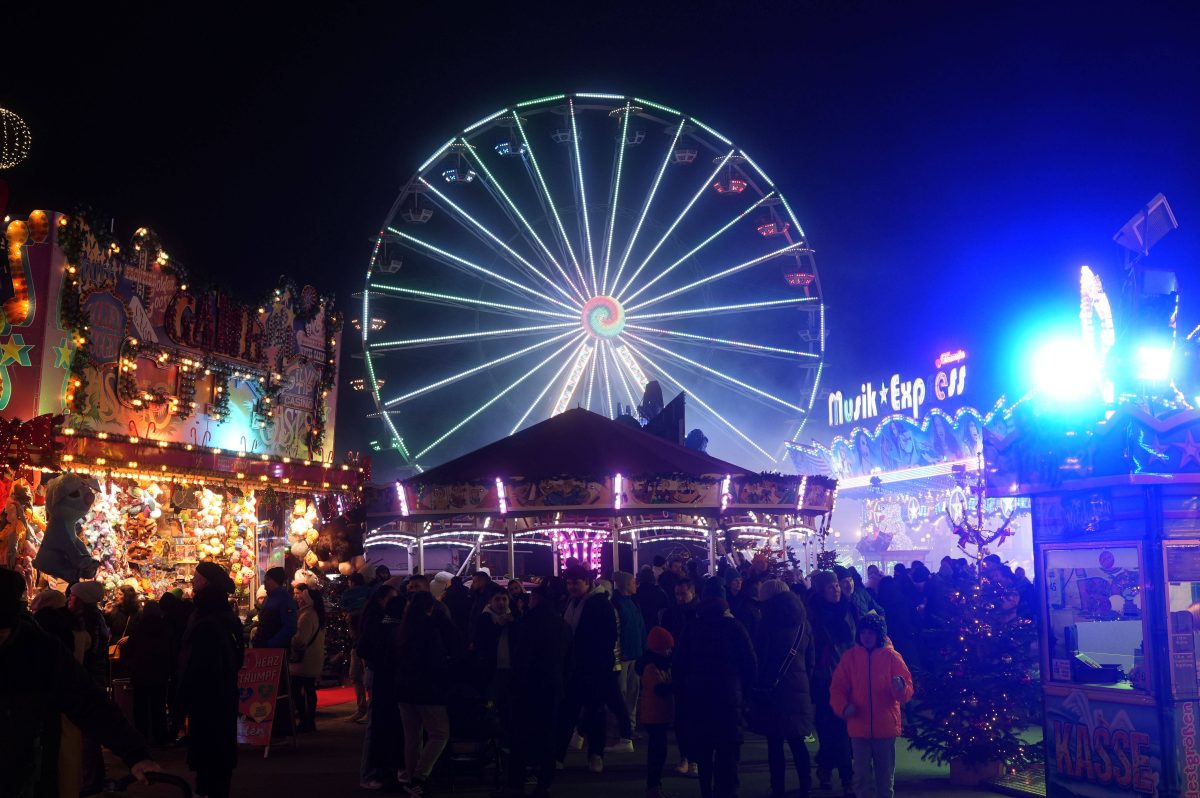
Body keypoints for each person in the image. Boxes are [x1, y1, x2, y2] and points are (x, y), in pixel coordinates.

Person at [1, 567, 161, 798]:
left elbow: (87, 700)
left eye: (2, 633)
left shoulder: (38, 649)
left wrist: (135, 754)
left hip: (25, 775)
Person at [674, 593, 757, 798]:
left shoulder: (692, 628)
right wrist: (746, 693)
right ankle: (727, 791)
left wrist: (684, 689)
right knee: (727, 749)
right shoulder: (734, 627)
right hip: (729, 695)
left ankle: (706, 790)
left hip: (699, 696)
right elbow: (750, 662)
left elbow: (679, 663)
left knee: (704, 749)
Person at [176, 560, 244, 798]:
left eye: (196, 576)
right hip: (220, 698)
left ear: (204, 582)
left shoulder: (207, 621)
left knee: (210, 759)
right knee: (216, 759)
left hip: (208, 700)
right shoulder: (224, 616)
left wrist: (182, 701)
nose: (192, 580)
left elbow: (197, 665)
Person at [830, 614, 913, 798]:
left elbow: (907, 690)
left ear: (879, 635)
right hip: (859, 727)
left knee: (885, 777)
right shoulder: (850, 658)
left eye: (871, 633)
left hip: (885, 727)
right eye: (864, 633)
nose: (867, 637)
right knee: (861, 776)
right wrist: (843, 707)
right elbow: (837, 687)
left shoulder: (892, 657)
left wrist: (900, 687)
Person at [503, 584, 573, 798]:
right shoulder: (562, 624)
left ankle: (516, 783)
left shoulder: (528, 623)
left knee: (521, 735)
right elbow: (569, 658)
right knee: (548, 736)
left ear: (535, 600)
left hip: (529, 686)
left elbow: (521, 657)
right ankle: (544, 783)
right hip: (553, 685)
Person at [750, 580, 815, 798]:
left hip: (774, 688)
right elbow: (811, 658)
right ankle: (806, 785)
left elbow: (761, 655)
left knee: (775, 742)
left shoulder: (768, 621)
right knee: (797, 741)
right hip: (799, 686)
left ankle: (777, 787)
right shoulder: (803, 621)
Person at [397, 590, 463, 797]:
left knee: (412, 737)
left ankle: (411, 778)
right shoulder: (430, 627)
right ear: (431, 607)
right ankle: (420, 776)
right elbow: (437, 659)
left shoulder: (405, 627)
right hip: (428, 688)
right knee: (440, 733)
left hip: (404, 688)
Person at [557, 564, 618, 773]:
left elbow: (608, 637)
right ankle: (560, 755)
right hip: (575, 667)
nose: (571, 586)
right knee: (568, 712)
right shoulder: (572, 603)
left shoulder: (600, 604)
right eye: (569, 582)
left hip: (593, 667)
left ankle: (595, 754)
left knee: (594, 711)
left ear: (588, 582)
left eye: (576, 582)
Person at [808, 570, 856, 794]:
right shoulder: (814, 615)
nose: (836, 589)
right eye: (831, 586)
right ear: (821, 590)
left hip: (848, 675)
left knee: (844, 727)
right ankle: (835, 771)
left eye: (836, 585)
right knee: (829, 727)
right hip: (824, 678)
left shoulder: (848, 608)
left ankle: (841, 773)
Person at [355, 583, 400, 790]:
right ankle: (368, 773)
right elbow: (365, 647)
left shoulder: (378, 617)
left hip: (378, 672)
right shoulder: (377, 620)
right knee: (375, 724)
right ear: (382, 600)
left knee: (379, 723)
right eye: (391, 600)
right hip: (378, 673)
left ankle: (377, 770)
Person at [69, 580, 111, 794]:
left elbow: (91, 651)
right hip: (93, 677)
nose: (69, 600)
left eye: (72, 597)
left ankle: (92, 779)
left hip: (90, 679)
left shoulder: (90, 621)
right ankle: (94, 776)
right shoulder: (95, 619)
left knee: (88, 731)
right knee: (91, 730)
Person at [124, 600, 175, 744]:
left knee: (140, 706)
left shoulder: (138, 628)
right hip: (160, 672)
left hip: (140, 673)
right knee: (158, 705)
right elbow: (171, 650)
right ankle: (160, 736)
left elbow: (130, 649)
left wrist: (131, 665)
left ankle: (142, 735)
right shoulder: (165, 627)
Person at [610, 570, 645, 752]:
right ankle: (623, 726)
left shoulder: (631, 602)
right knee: (622, 692)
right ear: (625, 585)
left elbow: (639, 626)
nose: (635, 585)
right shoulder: (617, 603)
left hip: (634, 653)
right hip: (624, 655)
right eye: (633, 582)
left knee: (632, 690)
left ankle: (629, 726)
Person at [637, 626, 675, 798]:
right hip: (654, 716)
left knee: (659, 751)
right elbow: (659, 689)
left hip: (658, 715)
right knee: (657, 752)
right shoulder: (652, 667)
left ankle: (654, 785)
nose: (670, 651)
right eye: (667, 648)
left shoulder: (659, 665)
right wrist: (677, 686)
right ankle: (653, 786)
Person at [291, 583, 327, 733]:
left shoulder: (306, 616)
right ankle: (309, 720)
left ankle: (306, 720)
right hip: (313, 657)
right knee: (309, 689)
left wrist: (290, 638)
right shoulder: (316, 614)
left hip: (304, 660)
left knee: (296, 689)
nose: (298, 599)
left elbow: (300, 640)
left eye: (301, 597)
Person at [252, 567, 297, 648]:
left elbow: (290, 627)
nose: (265, 582)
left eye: (268, 579)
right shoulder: (268, 598)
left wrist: (270, 644)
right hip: (263, 646)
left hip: (275, 651)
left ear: (275, 581)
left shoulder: (285, 599)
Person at [661, 577, 699, 643]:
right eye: (677, 594)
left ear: (693, 593)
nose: (679, 598)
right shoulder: (669, 613)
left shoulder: (700, 613)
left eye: (683, 594)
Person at [634, 566, 669, 631]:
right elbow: (666, 608)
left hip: (639, 625)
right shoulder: (660, 592)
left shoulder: (635, 593)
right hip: (656, 625)